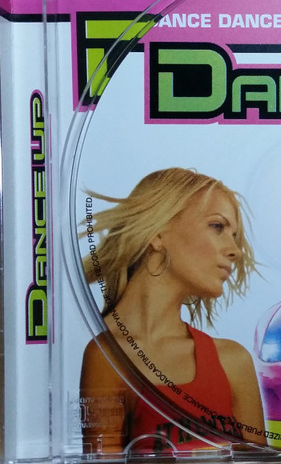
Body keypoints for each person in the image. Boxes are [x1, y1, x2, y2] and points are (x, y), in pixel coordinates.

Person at [79, 168, 265, 454]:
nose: (235, 250)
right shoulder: (108, 356)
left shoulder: (233, 362)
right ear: (157, 233)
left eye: (234, 235)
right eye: (217, 226)